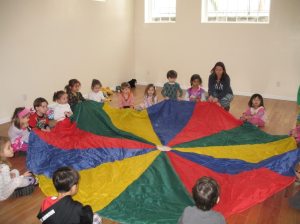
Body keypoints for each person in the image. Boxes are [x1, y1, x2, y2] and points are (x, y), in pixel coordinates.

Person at [37, 167, 102, 224]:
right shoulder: (77, 207)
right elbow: (87, 220)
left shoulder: (46, 201)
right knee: (96, 217)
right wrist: (88, 208)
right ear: (73, 187)